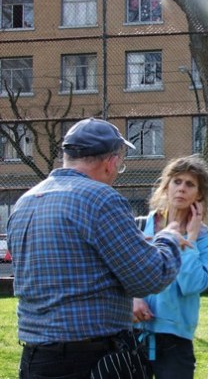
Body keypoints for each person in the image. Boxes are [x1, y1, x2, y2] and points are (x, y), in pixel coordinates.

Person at [7, 117, 190, 379]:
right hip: (90, 361)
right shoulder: (101, 199)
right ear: (111, 162)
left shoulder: (25, 203)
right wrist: (169, 237)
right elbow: (149, 277)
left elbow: (73, 264)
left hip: (36, 360)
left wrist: (136, 246)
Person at [133, 155, 208, 379]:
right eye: (177, 181)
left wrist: (189, 239)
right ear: (166, 186)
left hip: (176, 341)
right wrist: (132, 299)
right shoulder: (140, 226)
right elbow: (122, 273)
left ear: (199, 194)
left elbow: (192, 284)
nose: (181, 189)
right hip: (133, 335)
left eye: (190, 184)